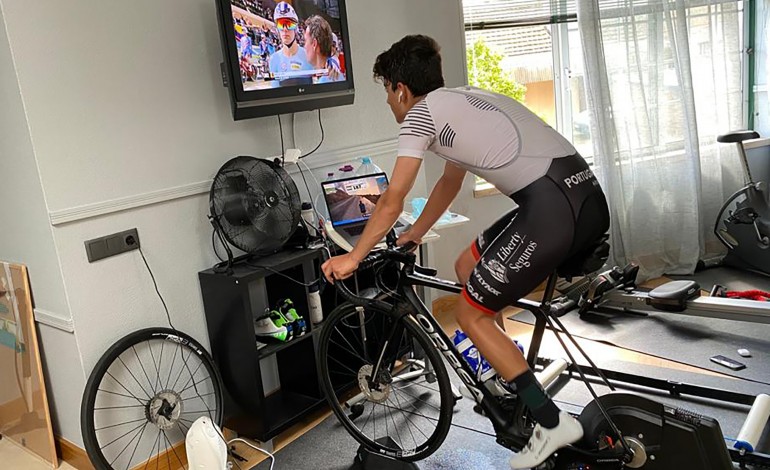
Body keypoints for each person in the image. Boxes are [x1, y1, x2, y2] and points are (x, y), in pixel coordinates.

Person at [321, 35, 610, 469]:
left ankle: (550, 421)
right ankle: (502, 370)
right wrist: (415, 235)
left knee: (469, 313)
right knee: (466, 265)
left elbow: (393, 197)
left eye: (386, 91)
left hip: (555, 207)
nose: (388, 102)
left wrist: (353, 257)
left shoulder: (420, 115)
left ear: (401, 89)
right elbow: (449, 183)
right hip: (571, 196)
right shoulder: (458, 101)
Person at [268, 2, 311, 85]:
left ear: (296, 28)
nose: (285, 29)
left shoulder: (308, 55)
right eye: (281, 24)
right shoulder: (273, 60)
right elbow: (274, 92)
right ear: (277, 29)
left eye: (289, 24)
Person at [303, 15, 344, 83]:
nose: (304, 46)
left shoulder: (326, 82)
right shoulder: (332, 75)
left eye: (305, 41)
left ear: (314, 44)